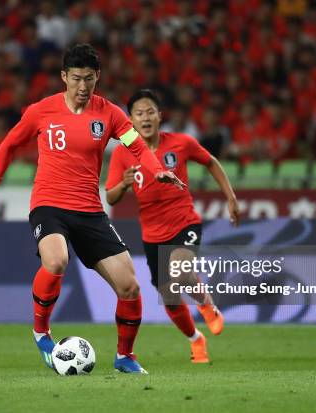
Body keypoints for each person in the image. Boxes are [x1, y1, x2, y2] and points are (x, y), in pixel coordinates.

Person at [0, 44, 184, 374]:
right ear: (64, 77)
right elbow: (9, 146)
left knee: (129, 285)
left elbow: (137, 145)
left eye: (89, 79)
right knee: (56, 261)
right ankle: (41, 332)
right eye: (76, 79)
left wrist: (156, 167)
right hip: (49, 204)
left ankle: (124, 356)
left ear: (97, 76)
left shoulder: (110, 113)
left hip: (89, 211)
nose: (83, 87)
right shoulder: (41, 111)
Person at [106, 89, 240, 363]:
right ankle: (196, 340)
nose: (145, 118)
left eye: (150, 112)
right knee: (169, 296)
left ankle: (206, 305)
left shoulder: (181, 143)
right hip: (152, 234)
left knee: (180, 270)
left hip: (184, 222)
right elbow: (110, 196)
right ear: (130, 120)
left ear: (159, 116)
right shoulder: (123, 154)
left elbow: (211, 162)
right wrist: (124, 184)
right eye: (139, 113)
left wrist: (230, 196)